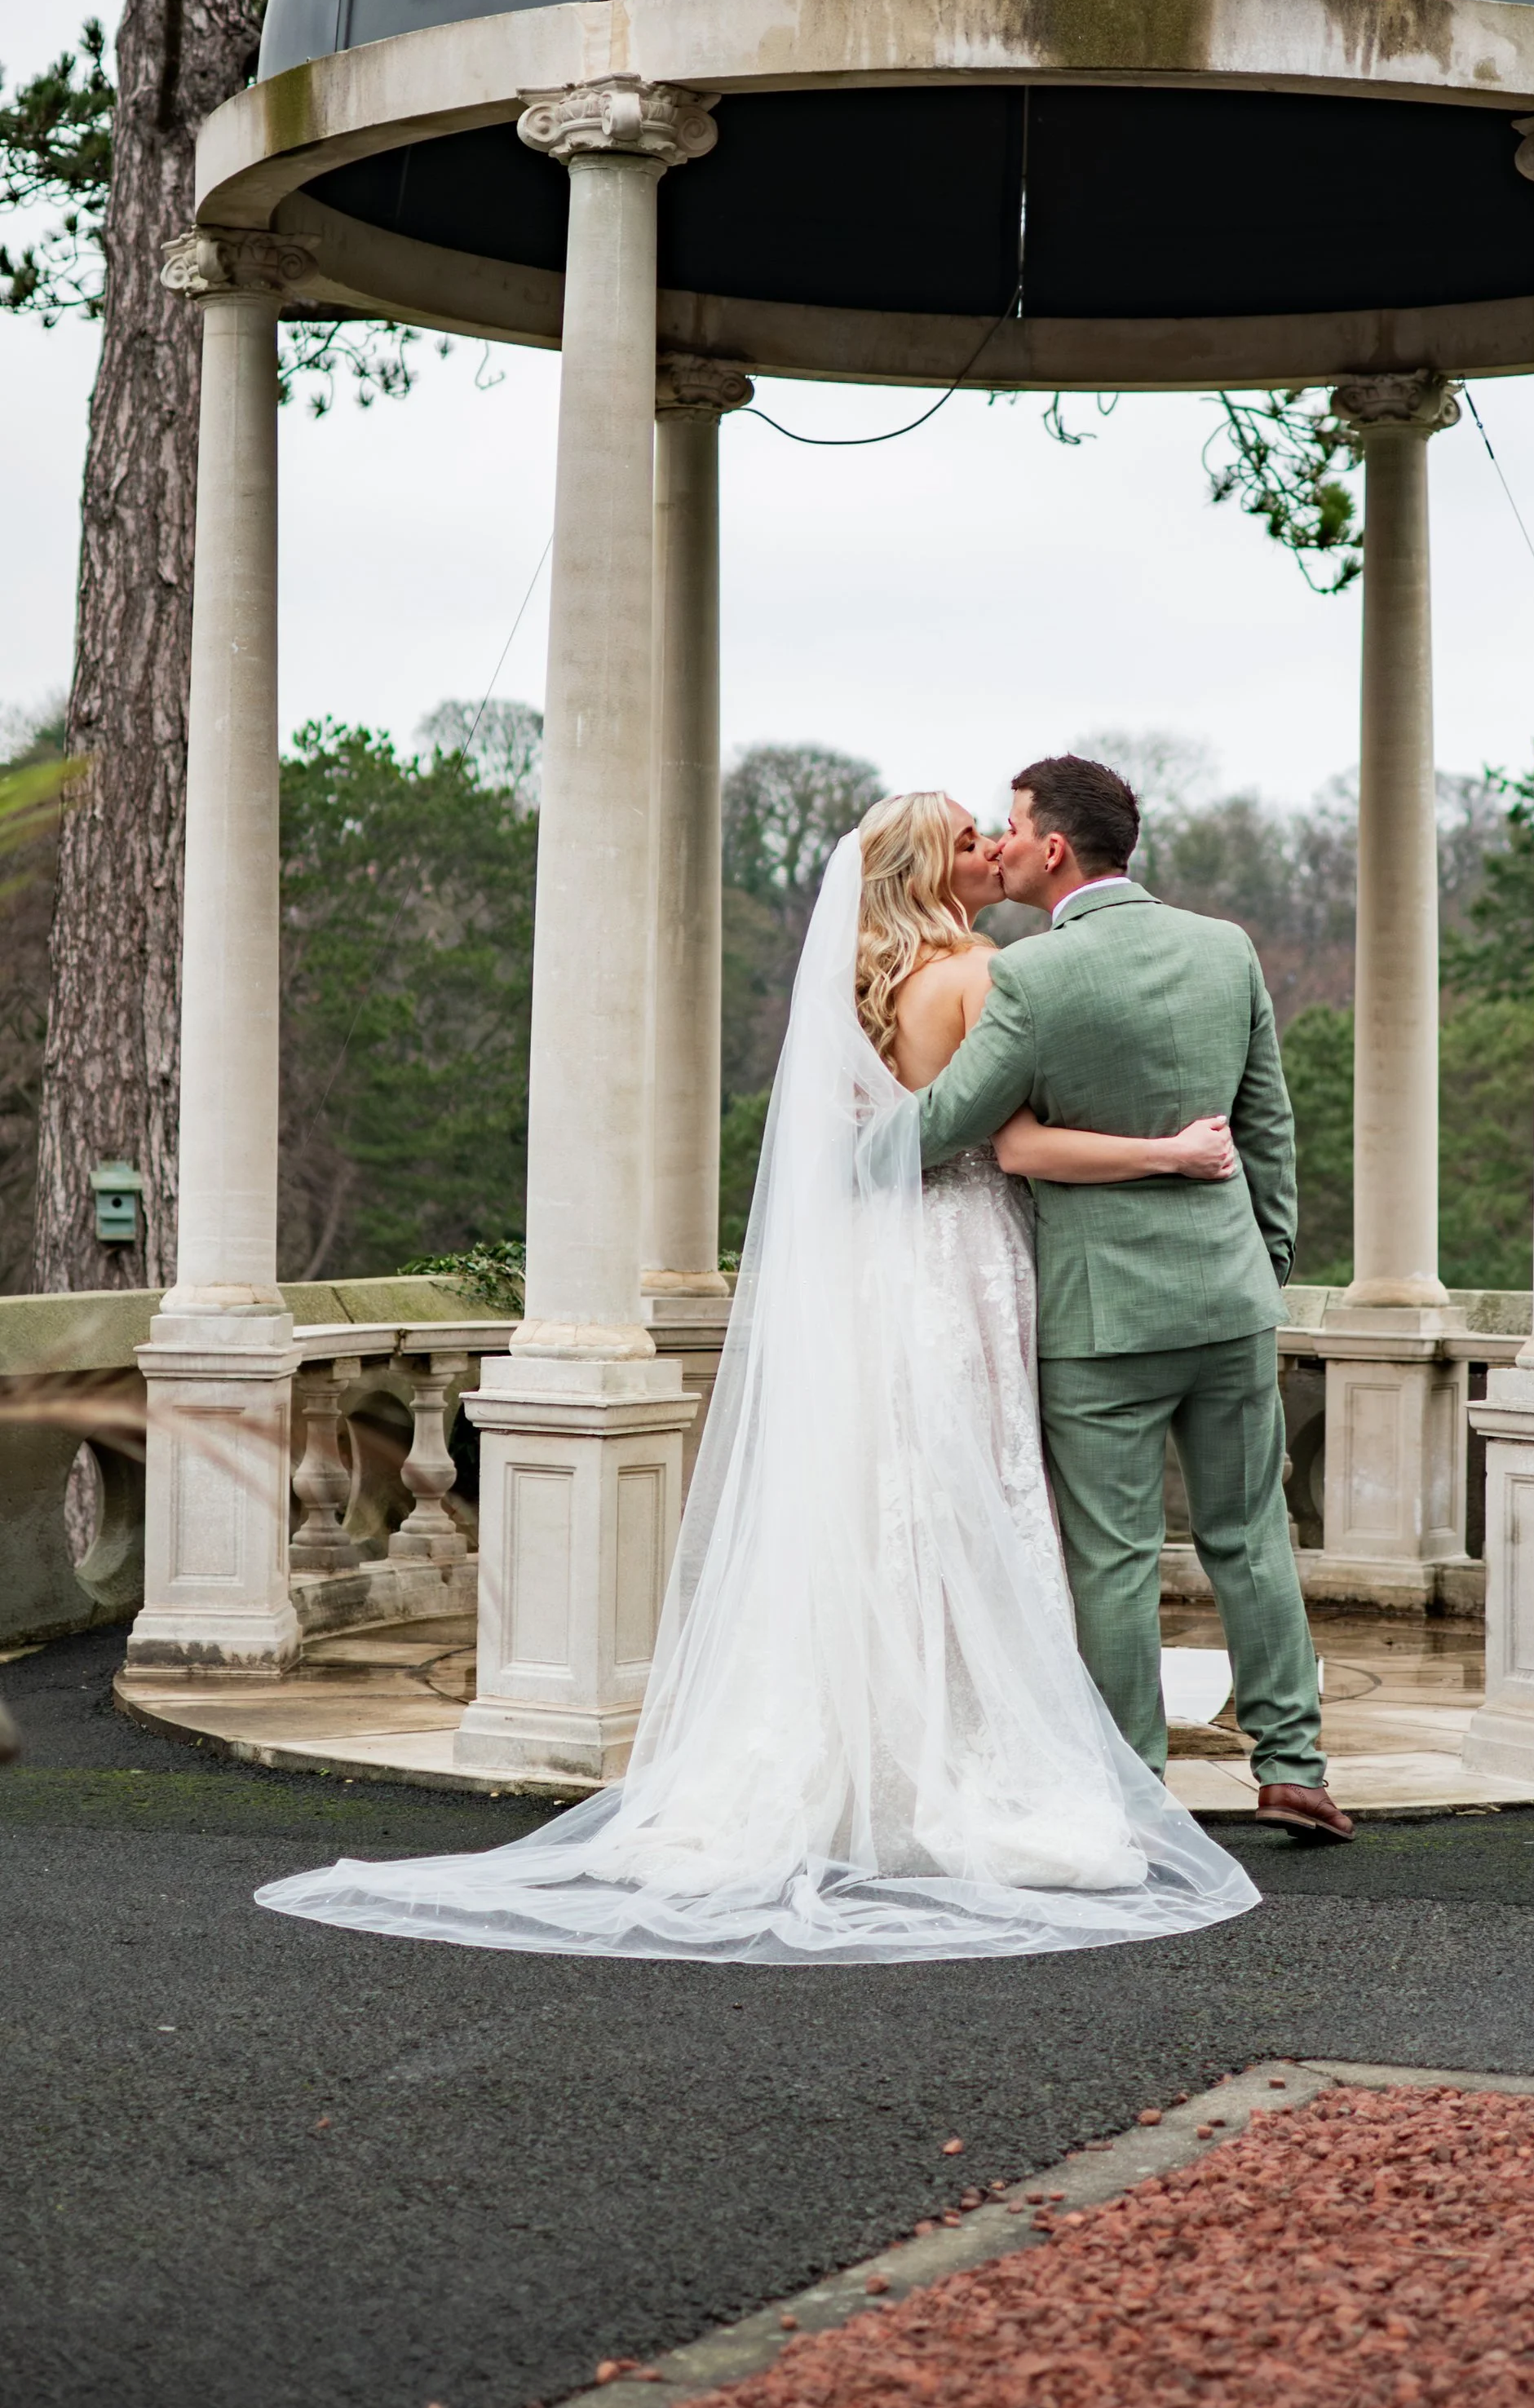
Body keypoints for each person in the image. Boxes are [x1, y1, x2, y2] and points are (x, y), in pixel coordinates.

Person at [253, 789, 1262, 1963]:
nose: (992, 847)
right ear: (931, 871)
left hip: (871, 1264)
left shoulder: (855, 988)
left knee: (871, 1489)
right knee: (970, 1485)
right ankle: (960, 1755)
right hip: (961, 1255)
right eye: (968, 839)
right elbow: (1012, 1143)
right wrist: (1169, 1150)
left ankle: (851, 1752)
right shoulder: (982, 975)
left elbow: (849, 1145)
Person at [917, 755, 1354, 1843]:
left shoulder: (1030, 975)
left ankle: (1133, 1792)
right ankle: (1293, 1766)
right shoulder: (1224, 949)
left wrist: (831, 1146)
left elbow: (947, 1124)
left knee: (1113, 1557)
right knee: (1251, 1536)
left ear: (1054, 847)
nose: (1002, 843)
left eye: (1012, 825)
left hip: (1099, 1319)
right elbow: (1268, 1128)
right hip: (1229, 1301)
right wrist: (1263, 1261)